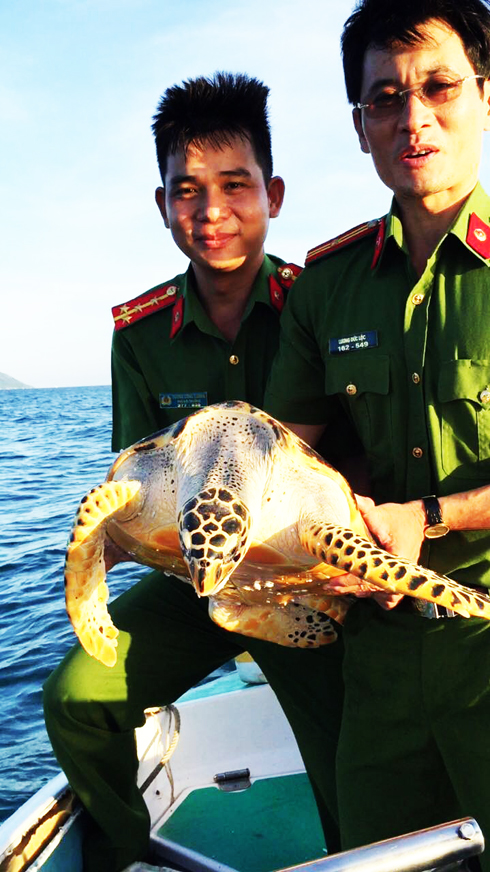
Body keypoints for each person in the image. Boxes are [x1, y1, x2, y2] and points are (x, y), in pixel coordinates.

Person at [43, 72, 346, 872]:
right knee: (76, 700)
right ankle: (122, 853)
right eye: (188, 191)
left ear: (273, 193)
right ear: (162, 204)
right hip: (189, 578)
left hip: (299, 580)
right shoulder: (138, 333)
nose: (211, 211)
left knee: (351, 757)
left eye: (235, 186)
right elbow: (135, 494)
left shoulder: (317, 304)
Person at [264, 0, 490, 866]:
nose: (414, 117)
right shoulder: (324, 289)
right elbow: (288, 454)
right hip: (378, 652)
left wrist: (423, 518)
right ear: (360, 126)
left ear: (483, 94)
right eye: (385, 98)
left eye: (438, 86)